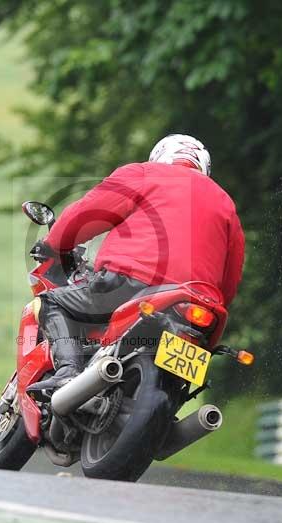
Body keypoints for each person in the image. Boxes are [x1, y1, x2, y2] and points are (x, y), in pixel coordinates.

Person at [28, 134, 245, 392]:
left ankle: (67, 372)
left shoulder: (145, 173)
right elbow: (231, 275)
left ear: (159, 157)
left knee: (50, 303)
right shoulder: (224, 201)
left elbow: (88, 213)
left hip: (133, 282)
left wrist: (54, 243)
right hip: (201, 305)